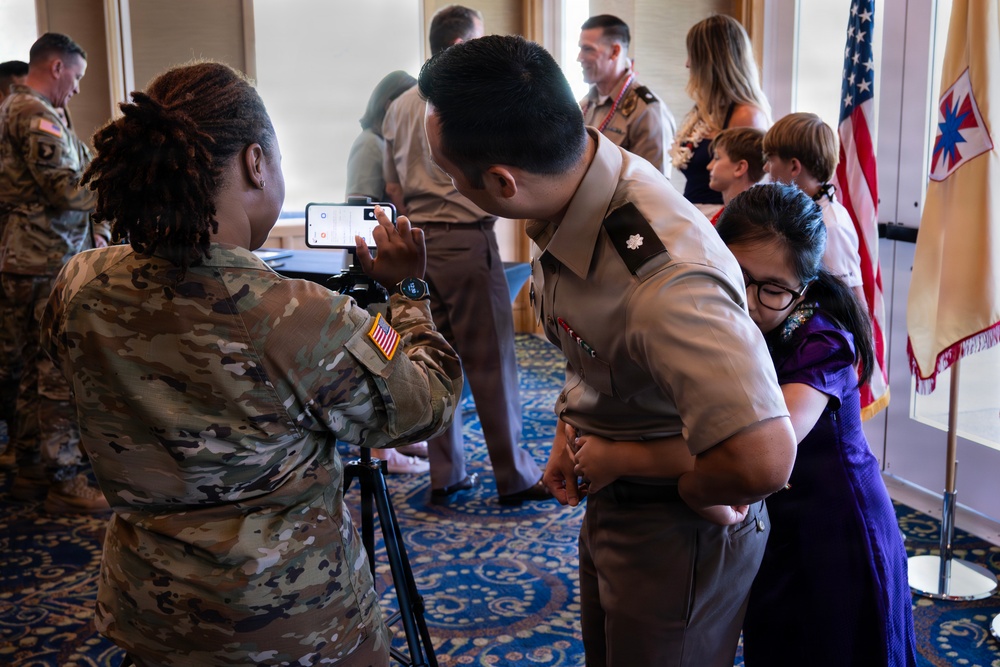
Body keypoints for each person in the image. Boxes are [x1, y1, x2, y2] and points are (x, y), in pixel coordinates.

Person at [40, 61, 463, 666]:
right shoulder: (299, 315)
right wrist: (408, 296)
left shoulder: (79, 283)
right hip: (293, 627)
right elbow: (427, 403)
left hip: (150, 617)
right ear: (255, 162)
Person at [418, 34, 796, 666]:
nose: (452, 191)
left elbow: (763, 461)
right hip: (615, 494)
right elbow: (599, 347)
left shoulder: (665, 282)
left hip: (676, 527)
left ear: (501, 182)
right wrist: (575, 424)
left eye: (454, 179)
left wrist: (645, 467)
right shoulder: (579, 182)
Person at [713, 184, 917, 666]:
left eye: (773, 288)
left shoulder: (821, 341)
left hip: (837, 529)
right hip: (777, 524)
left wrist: (624, 457)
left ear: (802, 290)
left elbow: (765, 446)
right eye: (737, 276)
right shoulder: (724, 313)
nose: (748, 300)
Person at [382, 5, 549, 505]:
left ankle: (446, 473)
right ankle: (514, 477)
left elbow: (392, 188)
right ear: (458, 47)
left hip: (417, 244)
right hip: (466, 239)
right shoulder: (466, 100)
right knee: (492, 361)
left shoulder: (398, 105)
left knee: (432, 358)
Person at [0, 33, 109, 513]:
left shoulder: (41, 112)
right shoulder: (32, 113)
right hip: (43, 260)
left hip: (36, 258)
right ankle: (62, 479)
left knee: (28, 371)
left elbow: (84, 166)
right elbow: (66, 190)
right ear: (57, 66)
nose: (80, 89)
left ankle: (29, 470)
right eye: (79, 77)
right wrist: (112, 196)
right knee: (54, 371)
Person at [345, 70, 430, 475]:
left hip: (387, 262)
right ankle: (380, 452)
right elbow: (358, 209)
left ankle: (397, 441)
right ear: (389, 105)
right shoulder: (369, 144)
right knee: (380, 355)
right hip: (374, 266)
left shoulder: (384, 143)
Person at [762, 112, 867, 310]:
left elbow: (853, 300)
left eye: (770, 159)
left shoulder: (831, 225)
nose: (766, 168)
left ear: (794, 166)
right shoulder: (802, 211)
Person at [671, 14, 771, 217]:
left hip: (723, 222)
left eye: (693, 55)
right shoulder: (704, 109)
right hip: (694, 215)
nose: (687, 64)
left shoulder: (746, 116)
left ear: (711, 62)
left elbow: (748, 190)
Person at [577, 14, 675, 177]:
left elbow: (655, 184)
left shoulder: (647, 111)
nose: (579, 58)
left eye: (588, 49)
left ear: (614, 52)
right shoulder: (586, 104)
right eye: (580, 48)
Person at [705, 126, 765, 225]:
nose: (709, 166)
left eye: (717, 157)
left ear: (739, 168)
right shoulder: (723, 215)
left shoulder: (746, 222)